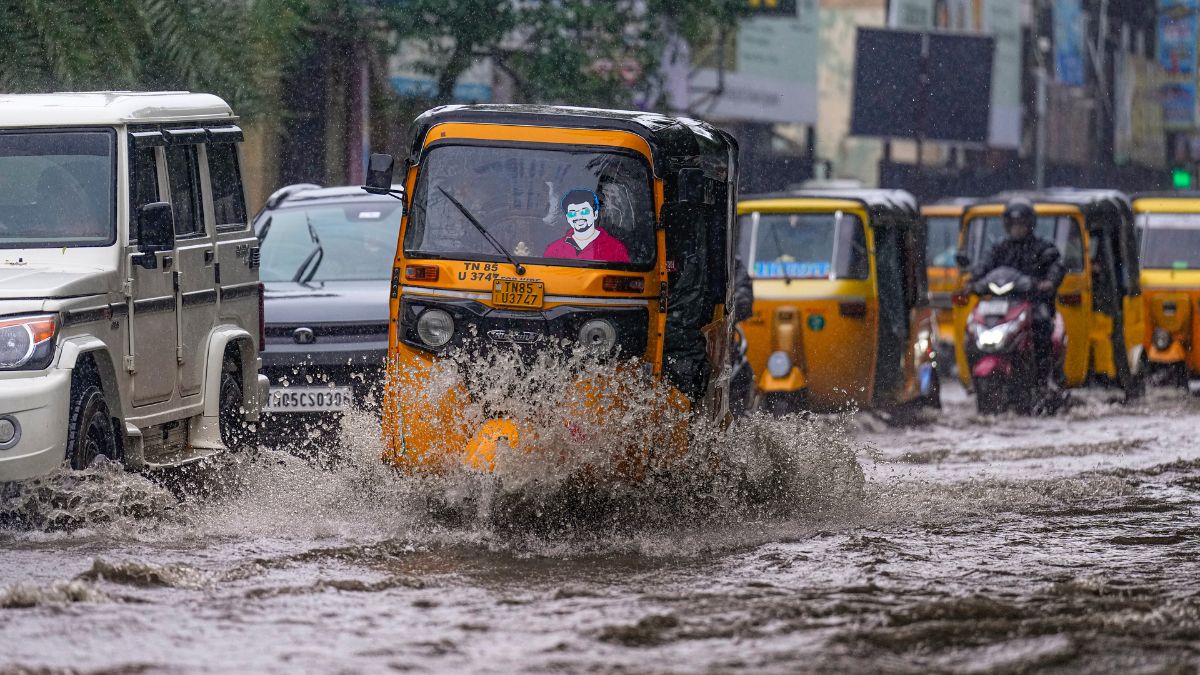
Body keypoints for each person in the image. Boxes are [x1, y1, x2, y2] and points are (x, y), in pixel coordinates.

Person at [972, 197, 1065, 387]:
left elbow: (1056, 266)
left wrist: (1048, 282)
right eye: (1013, 224)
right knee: (972, 328)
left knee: (1042, 325)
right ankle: (971, 373)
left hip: (1031, 303)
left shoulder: (1042, 248)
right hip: (1002, 306)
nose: (1017, 228)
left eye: (1021, 224)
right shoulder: (999, 248)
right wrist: (972, 281)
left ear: (1030, 225)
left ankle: (1043, 378)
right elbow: (982, 267)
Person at [543, 188, 630, 263]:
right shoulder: (554, 249)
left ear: (595, 214)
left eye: (584, 212)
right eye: (572, 213)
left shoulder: (615, 248)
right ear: (568, 218)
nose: (578, 217)